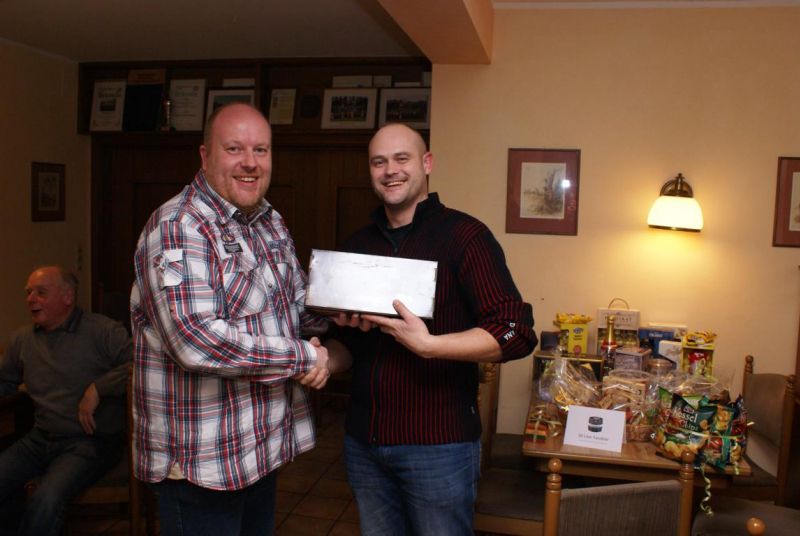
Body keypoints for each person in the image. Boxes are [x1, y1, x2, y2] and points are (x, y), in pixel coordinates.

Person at [323, 123, 537, 535]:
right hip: (364, 444)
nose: (390, 170)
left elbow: (516, 330)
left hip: (439, 447)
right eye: (379, 162)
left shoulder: (466, 236)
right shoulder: (357, 246)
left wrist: (430, 345)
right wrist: (321, 360)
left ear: (427, 163)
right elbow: (348, 343)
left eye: (401, 158)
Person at [130, 102, 330, 536]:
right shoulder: (179, 226)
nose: (250, 162)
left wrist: (349, 310)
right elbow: (195, 340)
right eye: (234, 148)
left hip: (257, 452)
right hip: (202, 465)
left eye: (261, 150)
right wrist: (303, 358)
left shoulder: (268, 220)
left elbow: (295, 305)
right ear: (205, 156)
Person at [0, 266, 132, 536]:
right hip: (41, 438)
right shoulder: (23, 340)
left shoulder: (103, 331)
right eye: (28, 293)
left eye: (40, 292)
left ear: (67, 297)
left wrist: (98, 388)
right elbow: (5, 382)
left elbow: (140, 363)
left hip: (90, 442)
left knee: (46, 498)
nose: (30, 299)